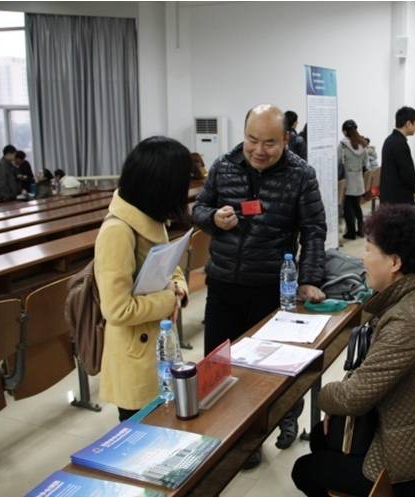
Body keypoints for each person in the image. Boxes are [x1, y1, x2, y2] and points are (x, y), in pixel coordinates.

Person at [292, 204, 415, 497]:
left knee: (305, 469)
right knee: (323, 440)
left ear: (395, 262)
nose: (363, 258)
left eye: (369, 249)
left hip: (414, 461)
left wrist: (317, 392)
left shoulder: (406, 323)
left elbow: (352, 398)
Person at [192, 104, 327, 463]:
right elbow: (198, 209)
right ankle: (239, 440)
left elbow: (314, 230)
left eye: (269, 142)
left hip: (271, 287)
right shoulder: (223, 166)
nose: (259, 150)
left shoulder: (301, 175)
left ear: (285, 139)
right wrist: (213, 218)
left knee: (271, 369)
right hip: (224, 283)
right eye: (252, 140)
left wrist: (309, 279)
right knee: (218, 368)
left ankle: (285, 414)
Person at [94, 136, 190, 422]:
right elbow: (117, 309)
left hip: (159, 346)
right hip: (135, 357)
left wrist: (179, 288)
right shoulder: (118, 232)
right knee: (142, 435)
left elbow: (171, 269)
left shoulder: (151, 218)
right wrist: (169, 299)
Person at [380, 107, 415, 205]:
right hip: (399, 201)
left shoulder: (390, 140)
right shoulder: (399, 143)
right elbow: (407, 172)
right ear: (408, 124)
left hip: (389, 197)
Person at [338, 119, 369, 240]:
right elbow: (365, 163)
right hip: (359, 179)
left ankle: (350, 233)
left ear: (345, 131)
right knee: (357, 206)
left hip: (348, 180)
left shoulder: (343, 145)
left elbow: (338, 161)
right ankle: (361, 230)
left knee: (347, 208)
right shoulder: (363, 144)